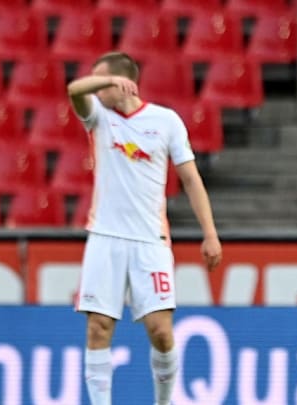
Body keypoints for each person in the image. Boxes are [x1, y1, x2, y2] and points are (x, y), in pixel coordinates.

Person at [66, 51, 222, 405]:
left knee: (161, 331)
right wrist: (105, 81)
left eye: (104, 81)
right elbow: (74, 89)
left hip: (150, 240)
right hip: (104, 237)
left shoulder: (166, 121)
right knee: (98, 328)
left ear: (125, 82)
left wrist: (210, 234)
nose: (97, 90)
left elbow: (191, 179)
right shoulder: (98, 117)